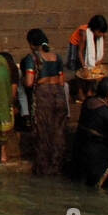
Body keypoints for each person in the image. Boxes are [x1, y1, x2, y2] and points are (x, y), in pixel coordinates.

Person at [22, 29, 67, 175]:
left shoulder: (32, 58)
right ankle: (57, 167)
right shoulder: (57, 57)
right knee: (58, 132)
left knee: (43, 133)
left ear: (31, 44)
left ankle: (43, 170)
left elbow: (29, 83)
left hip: (43, 96)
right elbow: (61, 81)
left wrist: (22, 80)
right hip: (59, 96)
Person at [72, 77, 108, 187]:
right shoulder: (105, 112)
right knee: (98, 186)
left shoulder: (88, 102)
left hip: (81, 149)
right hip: (97, 155)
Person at [68, 14, 108, 101]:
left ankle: (89, 91)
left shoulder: (103, 34)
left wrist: (99, 60)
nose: (101, 34)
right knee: (79, 69)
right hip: (76, 46)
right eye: (99, 32)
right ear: (94, 29)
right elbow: (80, 51)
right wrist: (84, 66)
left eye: (102, 32)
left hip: (89, 47)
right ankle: (80, 92)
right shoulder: (83, 32)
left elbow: (101, 51)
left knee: (93, 68)